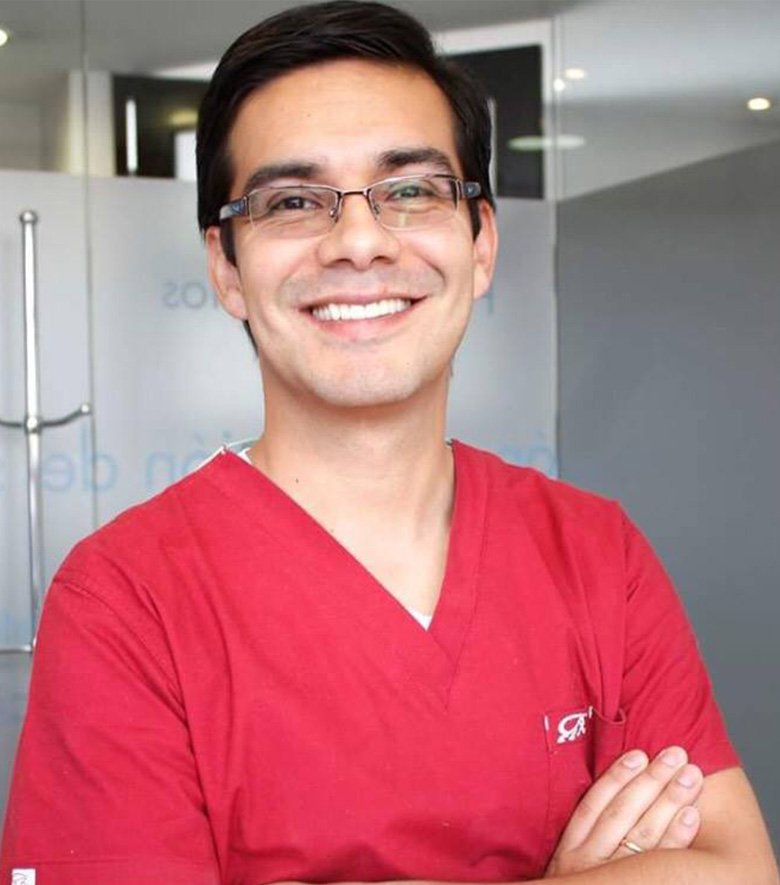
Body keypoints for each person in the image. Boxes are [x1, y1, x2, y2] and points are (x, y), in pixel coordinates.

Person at [2, 2, 778, 884]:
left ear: (481, 244)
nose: (360, 241)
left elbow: (737, 867)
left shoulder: (598, 554)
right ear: (226, 267)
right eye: (294, 201)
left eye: (410, 191)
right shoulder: (125, 601)